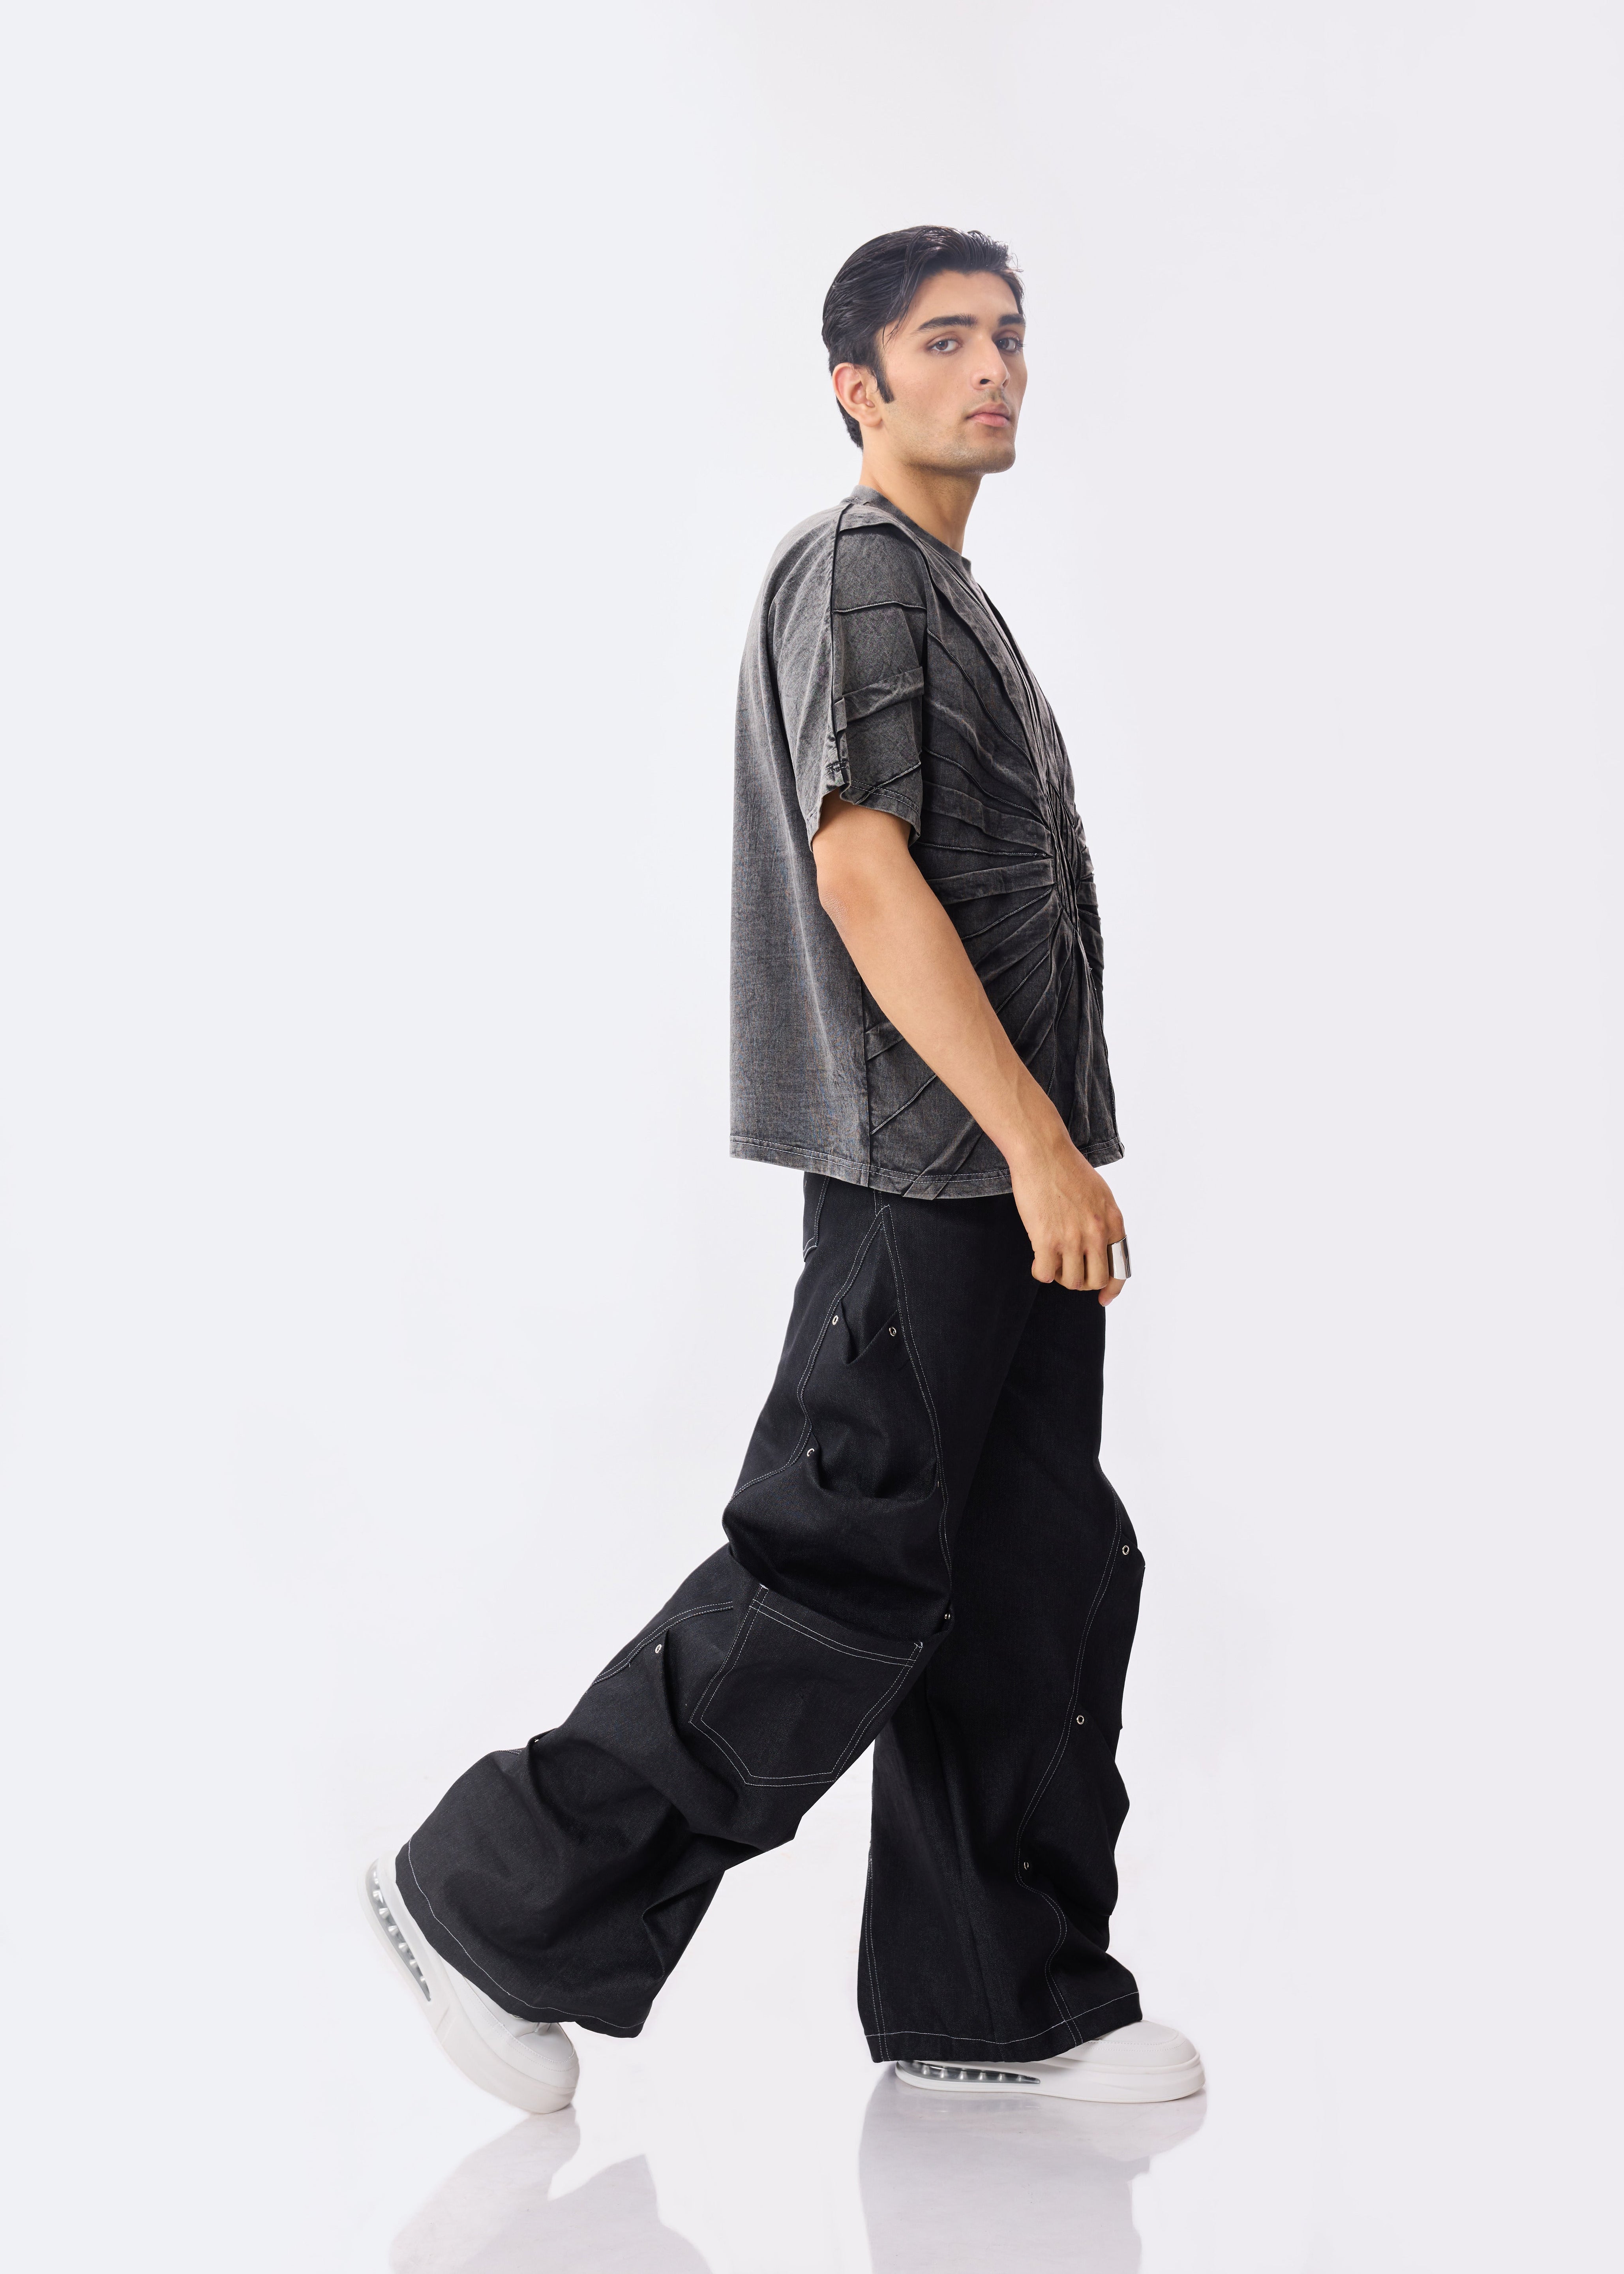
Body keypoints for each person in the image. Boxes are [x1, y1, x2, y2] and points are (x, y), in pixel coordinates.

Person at [363, 226, 1203, 2113]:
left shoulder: (950, 590)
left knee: (1031, 1569)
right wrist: (1037, 1147)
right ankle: (491, 1903)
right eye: (945, 341)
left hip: (998, 1186)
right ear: (856, 385)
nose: (992, 369)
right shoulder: (863, 571)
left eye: (1009, 337)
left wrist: (1046, 1157)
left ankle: (994, 2000)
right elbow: (863, 870)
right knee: (843, 1567)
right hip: (936, 1178)